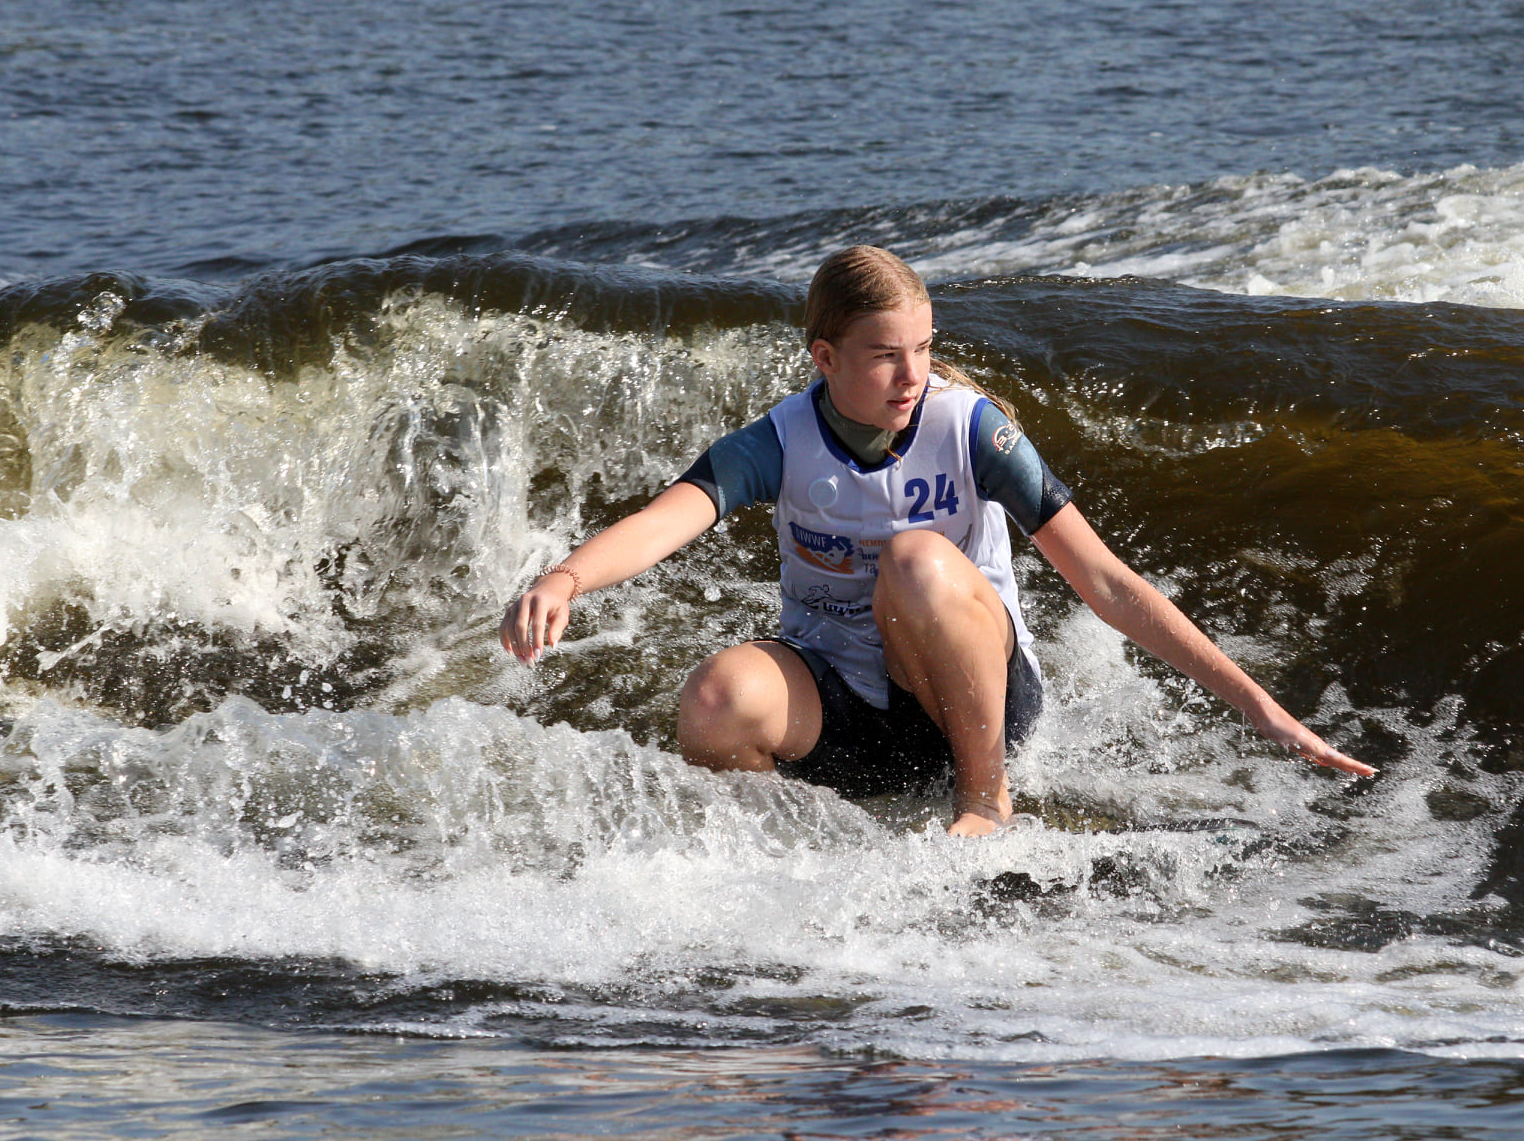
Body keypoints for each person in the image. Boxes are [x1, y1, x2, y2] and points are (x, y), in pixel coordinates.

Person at [502, 246, 1374, 836]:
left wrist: (1263, 711)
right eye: (884, 355)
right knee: (716, 698)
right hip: (851, 711)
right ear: (824, 359)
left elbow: (1105, 582)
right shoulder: (777, 441)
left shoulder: (973, 432)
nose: (912, 375)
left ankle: (985, 805)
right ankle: (795, 852)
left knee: (915, 558)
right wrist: (567, 579)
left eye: (922, 349)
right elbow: (667, 520)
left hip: (977, 698)